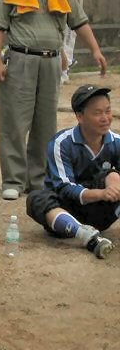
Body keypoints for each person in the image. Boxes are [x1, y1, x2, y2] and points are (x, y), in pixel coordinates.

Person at [0, 0, 106, 201]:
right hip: (20, 60)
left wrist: (95, 49)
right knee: (14, 121)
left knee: (45, 122)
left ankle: (38, 179)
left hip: (51, 61)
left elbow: (79, 21)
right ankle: (13, 179)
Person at [27, 85, 118, 258]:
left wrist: (113, 187)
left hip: (102, 213)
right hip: (66, 211)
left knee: (113, 175)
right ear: (80, 116)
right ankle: (86, 235)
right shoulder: (61, 143)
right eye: (97, 113)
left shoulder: (116, 142)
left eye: (108, 111)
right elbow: (64, 188)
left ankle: (91, 233)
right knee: (36, 198)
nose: (105, 118)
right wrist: (100, 193)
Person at [58, 0, 87, 84]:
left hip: (72, 14)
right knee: (62, 43)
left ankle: (65, 73)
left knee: (68, 44)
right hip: (63, 12)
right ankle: (63, 69)